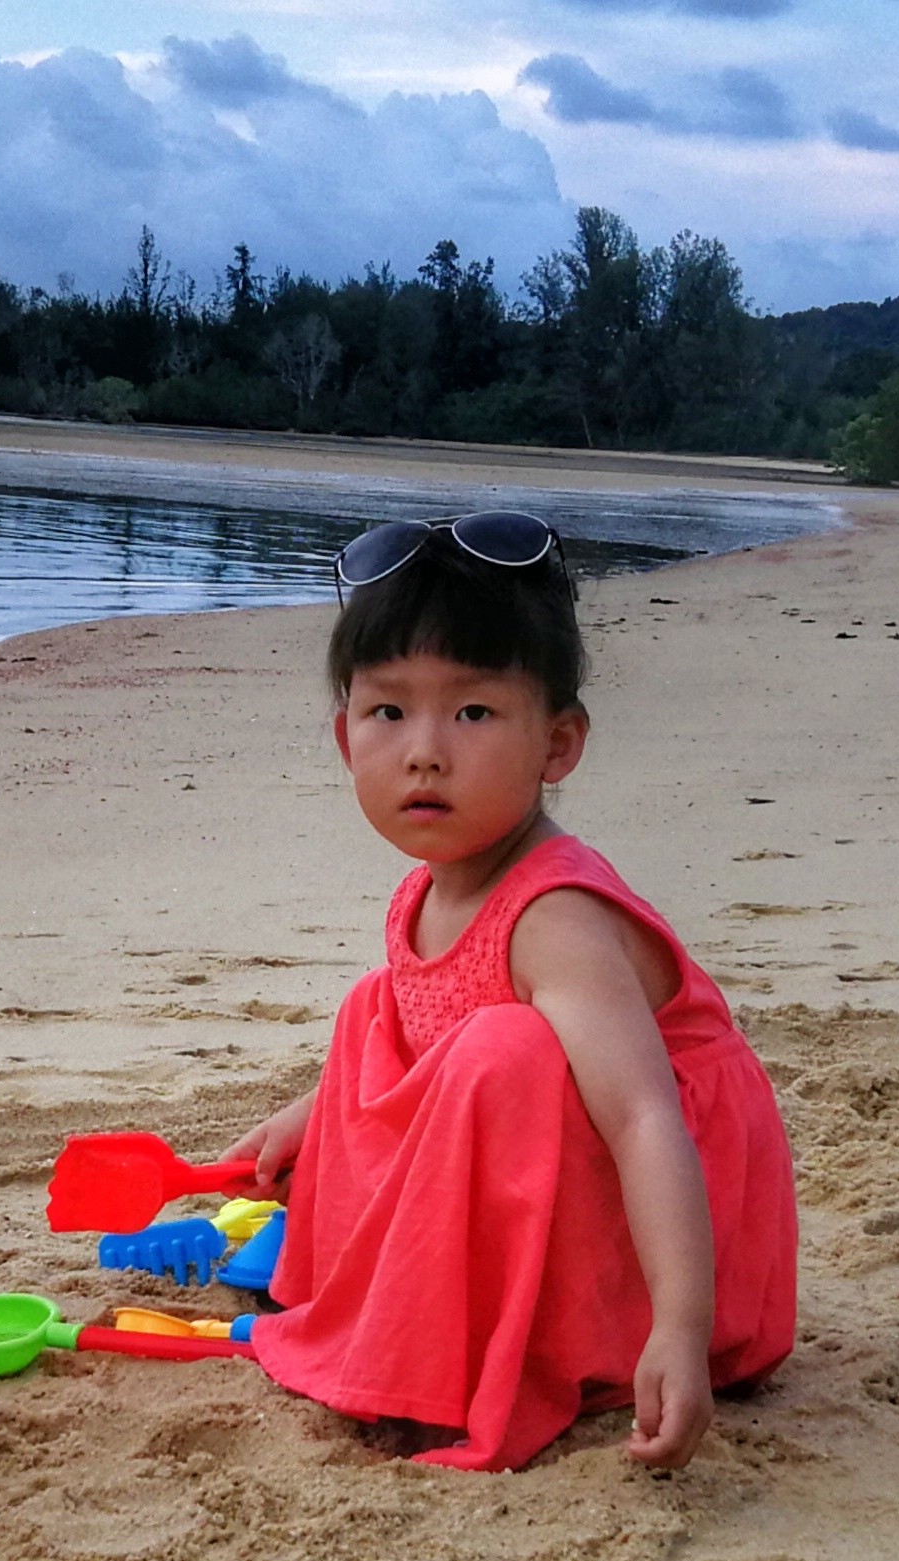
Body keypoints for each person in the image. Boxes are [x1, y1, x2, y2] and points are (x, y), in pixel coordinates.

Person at [228, 514, 795, 1472]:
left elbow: (646, 1120)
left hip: (667, 1244)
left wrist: (681, 1329)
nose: (425, 752)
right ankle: (356, 1294)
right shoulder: (429, 887)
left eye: (475, 713)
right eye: (388, 712)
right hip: (568, 1182)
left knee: (506, 1047)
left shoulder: (554, 917)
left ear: (558, 743)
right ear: (343, 738)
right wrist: (314, 1115)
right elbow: (415, 1027)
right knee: (374, 1003)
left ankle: (503, 1344)